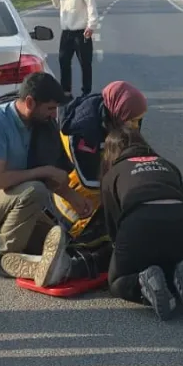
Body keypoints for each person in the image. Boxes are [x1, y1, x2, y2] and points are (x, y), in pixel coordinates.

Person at [0, 72, 92, 285]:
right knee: (35, 190)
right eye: (50, 108)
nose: (54, 115)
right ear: (30, 102)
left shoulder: (41, 124)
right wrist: (45, 170)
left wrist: (75, 199)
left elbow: (49, 175)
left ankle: (38, 261)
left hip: (8, 199)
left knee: (59, 240)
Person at [100, 125, 183, 320]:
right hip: (182, 222)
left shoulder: (113, 174)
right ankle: (178, 275)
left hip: (140, 223)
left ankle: (142, 284)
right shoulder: (167, 164)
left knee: (116, 282)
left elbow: (113, 225)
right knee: (168, 262)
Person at [53, 81, 149, 253]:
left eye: (139, 120)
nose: (136, 126)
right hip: (75, 197)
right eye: (133, 121)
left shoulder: (115, 117)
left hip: (98, 186)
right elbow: (88, 180)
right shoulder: (83, 131)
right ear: (119, 113)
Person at [49, 0, 97, 100]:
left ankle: (86, 92)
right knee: (63, 61)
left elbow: (91, 5)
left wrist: (91, 25)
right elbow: (55, 4)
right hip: (66, 31)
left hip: (82, 31)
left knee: (85, 63)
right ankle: (66, 92)